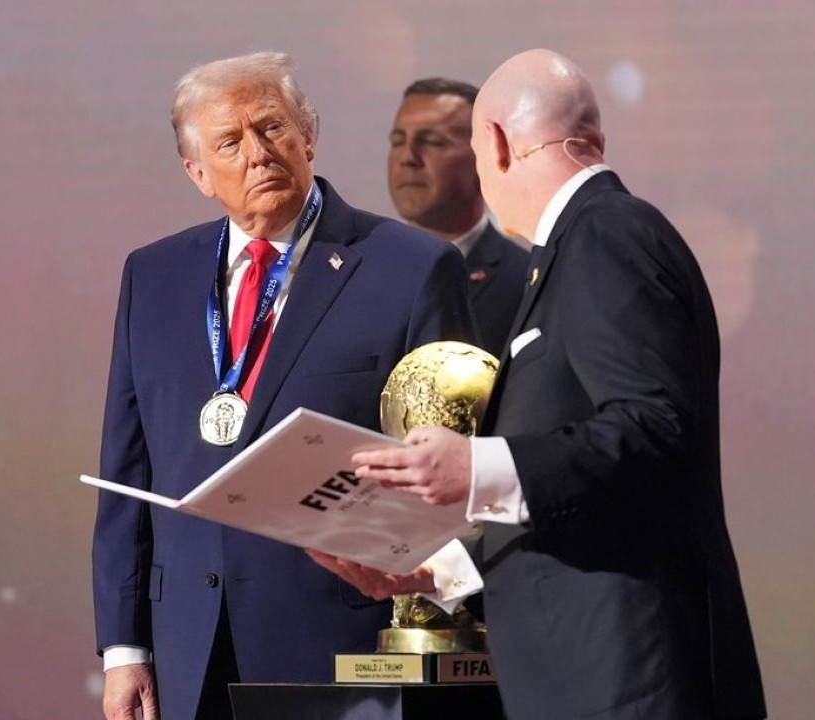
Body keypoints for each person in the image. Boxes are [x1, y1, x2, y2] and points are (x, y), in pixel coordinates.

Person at [310, 50, 767, 719]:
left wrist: (476, 465)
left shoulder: (606, 231)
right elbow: (585, 497)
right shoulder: (576, 245)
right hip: (586, 679)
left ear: (495, 143)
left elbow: (655, 429)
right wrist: (438, 572)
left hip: (624, 682)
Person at [93, 51, 474, 720]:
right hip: (186, 647)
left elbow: (454, 468)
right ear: (197, 173)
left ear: (309, 135)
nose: (258, 153)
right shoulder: (152, 276)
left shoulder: (412, 268)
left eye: (271, 127)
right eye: (229, 142)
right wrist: (125, 648)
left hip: (338, 645)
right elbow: (127, 472)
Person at [388, 77, 530, 354]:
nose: (407, 157)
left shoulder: (524, 283)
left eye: (432, 142)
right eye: (397, 141)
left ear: (485, 157)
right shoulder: (363, 272)